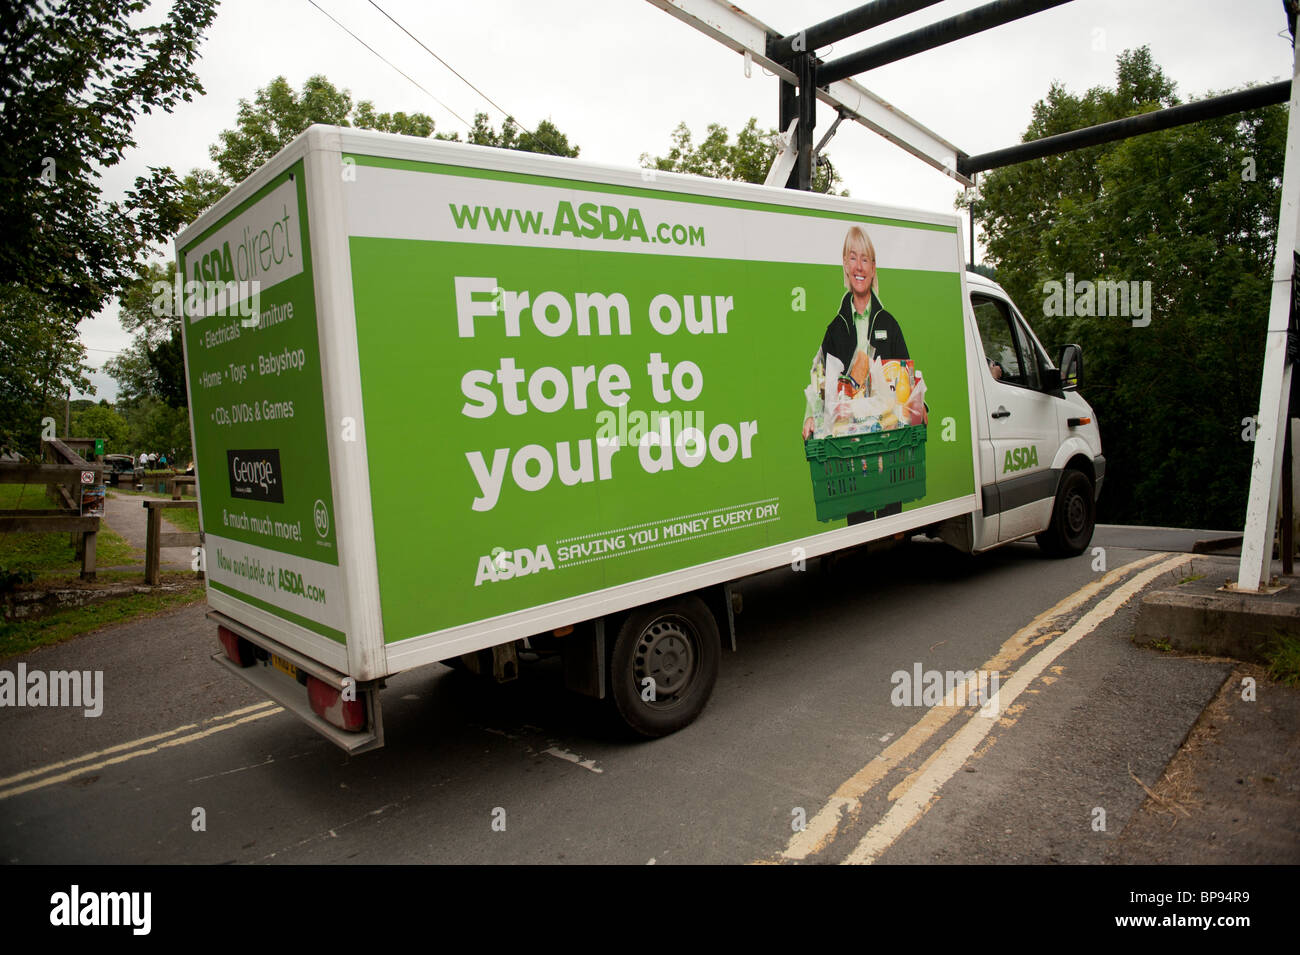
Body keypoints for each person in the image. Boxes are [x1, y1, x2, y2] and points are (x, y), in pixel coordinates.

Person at [802, 225, 924, 524]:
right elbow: (820, 377)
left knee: (890, 519)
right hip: (849, 443)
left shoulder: (888, 323)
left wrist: (920, 408)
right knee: (857, 521)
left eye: (866, 259)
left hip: (887, 440)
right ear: (845, 263)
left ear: (873, 267)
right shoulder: (836, 327)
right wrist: (810, 414)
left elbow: (905, 378)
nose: (859, 266)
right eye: (853, 258)